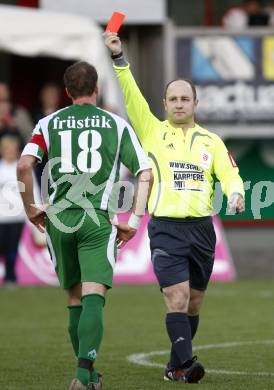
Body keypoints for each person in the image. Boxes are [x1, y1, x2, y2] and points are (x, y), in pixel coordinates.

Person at [103, 32, 245, 384]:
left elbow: (230, 174)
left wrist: (237, 192)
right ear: (165, 104)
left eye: (185, 98)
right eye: (173, 99)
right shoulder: (152, 131)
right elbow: (132, 96)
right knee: (176, 296)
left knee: (193, 303)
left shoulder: (211, 141)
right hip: (165, 227)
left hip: (201, 230)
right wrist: (120, 59)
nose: (179, 103)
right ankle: (189, 364)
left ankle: (175, 364)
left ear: (196, 103)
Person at [17, 61, 152, 390]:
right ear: (96, 89)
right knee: (94, 297)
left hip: (60, 219)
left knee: (74, 299)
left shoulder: (48, 123)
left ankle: (89, 376)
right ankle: (81, 377)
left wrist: (32, 209)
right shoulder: (116, 125)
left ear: (66, 92)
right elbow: (145, 173)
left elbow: (23, 166)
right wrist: (133, 221)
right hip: (97, 219)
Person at [0, 134, 25, 287]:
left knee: (12, 249)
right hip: (1, 217)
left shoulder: (22, 169)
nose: (10, 152)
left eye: (13, 149)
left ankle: (11, 277)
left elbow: (31, 189)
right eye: (7, 149)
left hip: (17, 217)